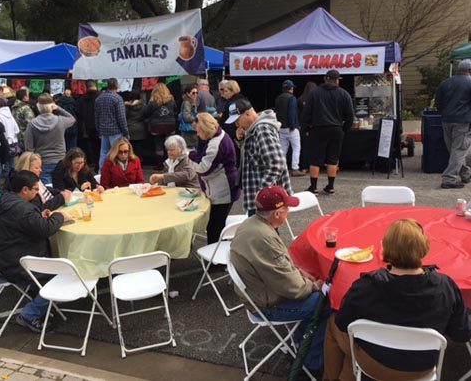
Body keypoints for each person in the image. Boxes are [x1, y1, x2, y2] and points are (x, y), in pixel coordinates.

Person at [323, 219, 471, 381]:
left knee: (333, 323)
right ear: (424, 247)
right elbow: (461, 333)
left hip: (373, 364)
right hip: (421, 369)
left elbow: (343, 322)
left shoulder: (366, 286)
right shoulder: (445, 286)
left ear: (385, 249)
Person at [230, 186, 327, 373]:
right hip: (267, 305)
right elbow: (294, 289)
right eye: (286, 209)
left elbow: (280, 268)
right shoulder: (264, 238)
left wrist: (298, 271)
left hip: (257, 292)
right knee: (326, 303)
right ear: (277, 214)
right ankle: (311, 362)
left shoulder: (252, 223)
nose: (289, 212)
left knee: (314, 289)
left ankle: (299, 342)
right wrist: (313, 286)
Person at [0, 170, 73, 333]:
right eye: (35, 189)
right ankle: (30, 314)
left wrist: (39, 217)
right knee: (64, 272)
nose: (38, 192)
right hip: (13, 263)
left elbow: (25, 225)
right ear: (24, 190)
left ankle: (38, 299)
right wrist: (59, 216)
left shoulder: (6, 200)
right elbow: (45, 230)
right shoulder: (23, 209)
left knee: (53, 261)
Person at [229, 98, 291, 216]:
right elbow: (253, 154)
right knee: (264, 232)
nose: (237, 124)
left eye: (237, 120)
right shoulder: (255, 129)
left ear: (247, 113)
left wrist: (261, 193)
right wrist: (241, 140)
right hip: (263, 199)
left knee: (262, 232)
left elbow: (276, 164)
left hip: (264, 201)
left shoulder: (261, 129)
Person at [189, 113, 240, 244]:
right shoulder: (219, 135)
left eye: (198, 132)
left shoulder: (215, 144)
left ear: (205, 129)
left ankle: (215, 260)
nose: (198, 135)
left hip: (223, 189)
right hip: (224, 186)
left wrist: (189, 157)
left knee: (214, 227)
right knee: (216, 224)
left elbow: (203, 168)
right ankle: (217, 256)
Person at [301, 70, 354, 195]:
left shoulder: (314, 93)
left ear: (325, 79)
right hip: (336, 129)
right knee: (333, 159)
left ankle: (313, 187)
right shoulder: (344, 94)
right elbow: (350, 116)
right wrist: (344, 129)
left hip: (317, 129)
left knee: (315, 159)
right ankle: (330, 186)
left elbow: (306, 114)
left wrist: (305, 129)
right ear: (337, 80)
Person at [24, 93, 76, 185]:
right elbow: (72, 119)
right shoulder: (60, 121)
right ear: (52, 106)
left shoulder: (32, 124)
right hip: (60, 160)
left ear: (38, 106)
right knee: (61, 188)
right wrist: (58, 108)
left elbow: (29, 148)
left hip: (42, 162)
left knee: (47, 191)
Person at [435, 59, 471, 188]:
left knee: (454, 149)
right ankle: (449, 179)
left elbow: (438, 102)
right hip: (463, 121)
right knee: (459, 150)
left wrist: (445, 112)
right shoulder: (469, 82)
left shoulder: (446, 82)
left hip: (446, 120)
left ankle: (466, 174)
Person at [94, 78, 129, 171]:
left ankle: (102, 171)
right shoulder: (117, 98)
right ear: (116, 86)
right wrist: (125, 132)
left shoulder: (99, 98)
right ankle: (116, 171)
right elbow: (121, 117)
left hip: (103, 130)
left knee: (104, 152)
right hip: (116, 130)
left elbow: (96, 116)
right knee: (117, 152)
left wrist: (99, 130)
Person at [275, 80, 306, 177]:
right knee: (296, 148)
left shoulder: (278, 98)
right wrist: (293, 125)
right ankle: (295, 169)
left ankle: (281, 169)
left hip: (281, 127)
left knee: (283, 150)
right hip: (291, 127)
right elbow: (292, 113)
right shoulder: (292, 98)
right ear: (291, 88)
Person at [144, 83, 176, 168]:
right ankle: (171, 163)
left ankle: (160, 164)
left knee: (158, 145)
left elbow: (146, 112)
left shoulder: (153, 100)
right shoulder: (171, 99)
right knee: (170, 144)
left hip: (157, 126)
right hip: (170, 125)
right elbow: (175, 109)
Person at [76, 80, 101, 170]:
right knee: (102, 148)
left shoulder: (81, 100)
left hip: (87, 127)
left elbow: (78, 114)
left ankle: (94, 163)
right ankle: (100, 166)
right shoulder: (100, 97)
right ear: (96, 85)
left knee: (93, 147)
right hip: (100, 127)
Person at [0, 97, 20, 179]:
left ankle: (6, 180)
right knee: (11, 163)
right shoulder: (10, 115)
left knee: (4, 163)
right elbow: (17, 129)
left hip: (3, 143)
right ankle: (12, 178)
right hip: (13, 142)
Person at [297, 82, 317, 172]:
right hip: (314, 127)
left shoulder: (300, 100)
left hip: (303, 127)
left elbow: (297, 114)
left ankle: (304, 167)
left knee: (304, 148)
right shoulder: (316, 99)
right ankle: (313, 167)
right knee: (315, 148)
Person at [124, 91, 147, 159]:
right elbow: (146, 116)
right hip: (141, 128)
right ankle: (139, 162)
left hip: (130, 128)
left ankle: (131, 162)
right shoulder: (143, 105)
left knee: (130, 148)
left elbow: (124, 116)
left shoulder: (126, 106)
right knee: (139, 147)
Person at [178, 84, 198, 149]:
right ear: (188, 93)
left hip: (189, 130)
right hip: (188, 131)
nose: (195, 94)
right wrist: (197, 118)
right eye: (193, 93)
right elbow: (186, 117)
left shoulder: (191, 101)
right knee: (189, 148)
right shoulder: (187, 102)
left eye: (197, 92)